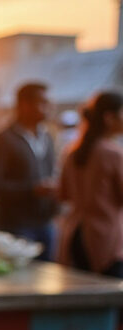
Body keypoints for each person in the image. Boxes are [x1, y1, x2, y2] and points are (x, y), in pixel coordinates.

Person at [0, 82, 57, 258]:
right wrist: (32, 189)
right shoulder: (3, 139)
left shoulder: (46, 137)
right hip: (16, 224)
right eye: (42, 102)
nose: (47, 108)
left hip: (45, 222)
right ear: (24, 105)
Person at [58, 91, 123, 277]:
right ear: (110, 118)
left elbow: (63, 194)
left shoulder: (72, 152)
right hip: (105, 240)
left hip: (75, 236)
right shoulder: (113, 154)